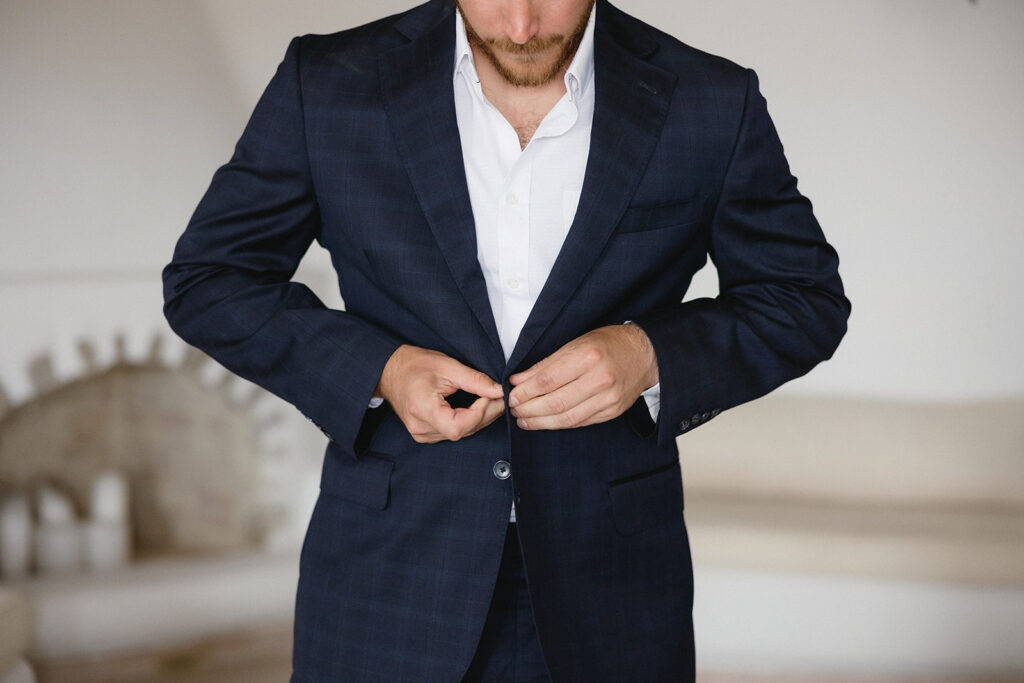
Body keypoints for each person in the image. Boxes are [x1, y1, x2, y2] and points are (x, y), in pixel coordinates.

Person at [163, 0, 850, 680]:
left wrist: (648, 354)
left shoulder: (711, 101)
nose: (521, 28)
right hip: (386, 583)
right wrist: (382, 370)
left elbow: (803, 298)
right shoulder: (329, 83)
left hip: (612, 592)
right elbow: (210, 279)